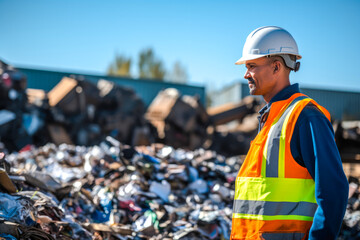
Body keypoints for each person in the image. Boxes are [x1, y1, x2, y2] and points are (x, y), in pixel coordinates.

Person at [230, 26, 349, 240]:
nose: (246, 74)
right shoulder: (272, 117)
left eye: (252, 66)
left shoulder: (305, 117)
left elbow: (334, 191)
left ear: (276, 67)